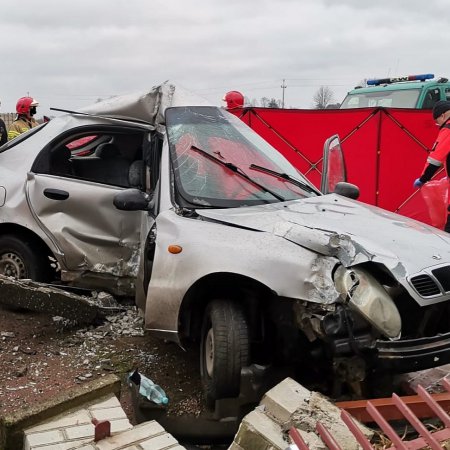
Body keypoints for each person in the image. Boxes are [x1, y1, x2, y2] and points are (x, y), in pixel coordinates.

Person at [414, 100, 450, 232]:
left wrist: (423, 179)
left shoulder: (448, 129)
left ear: (443, 115)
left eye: (437, 121)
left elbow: (435, 159)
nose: (438, 125)